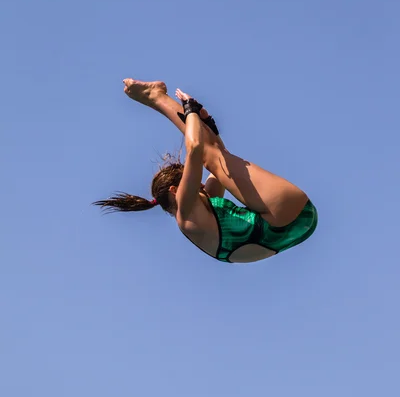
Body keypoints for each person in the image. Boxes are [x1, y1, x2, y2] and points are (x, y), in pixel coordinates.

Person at [94, 79, 318, 264]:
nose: (201, 184)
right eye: (195, 182)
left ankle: (157, 97)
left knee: (217, 159)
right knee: (209, 157)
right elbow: (197, 150)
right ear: (175, 190)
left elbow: (221, 156)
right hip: (284, 220)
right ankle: (155, 97)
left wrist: (208, 124)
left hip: (296, 227)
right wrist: (189, 110)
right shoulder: (186, 212)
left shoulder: (202, 211)